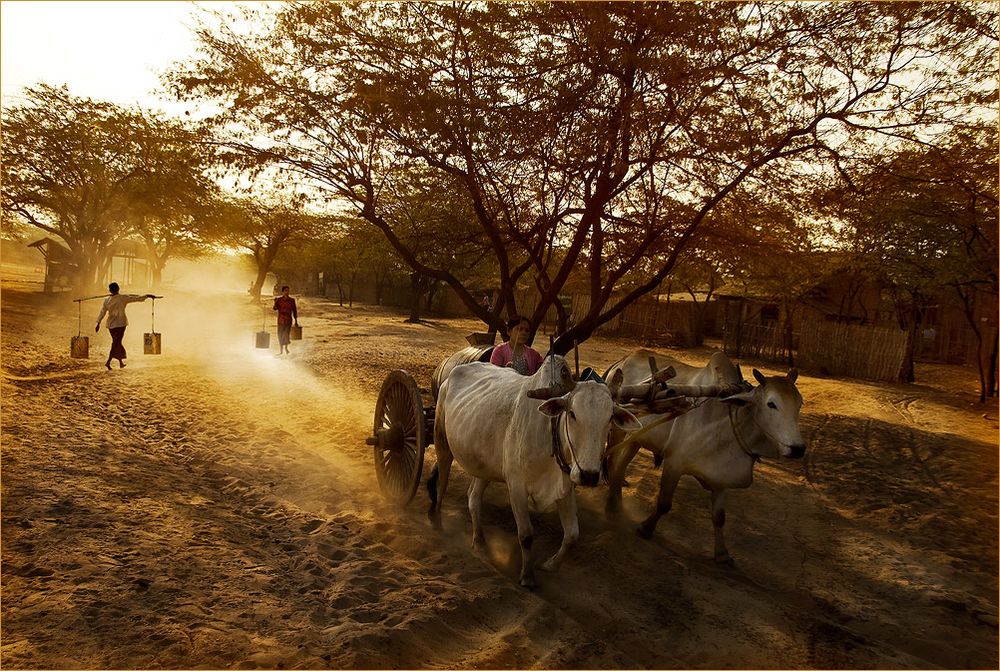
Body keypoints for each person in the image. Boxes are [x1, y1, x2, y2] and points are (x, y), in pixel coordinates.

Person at [95, 282, 153, 370]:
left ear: (110, 290)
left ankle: (120, 362)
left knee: (116, 342)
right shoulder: (123, 298)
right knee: (116, 343)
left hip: (111, 325)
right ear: (118, 289)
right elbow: (136, 299)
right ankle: (108, 362)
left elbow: (102, 312)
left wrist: (98, 323)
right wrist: (146, 296)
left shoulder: (107, 300)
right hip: (121, 324)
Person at [273, 285, 298, 355]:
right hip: (280, 320)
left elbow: (294, 310)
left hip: (288, 320)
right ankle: (281, 350)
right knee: (280, 335)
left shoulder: (292, 300)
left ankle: (286, 348)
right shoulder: (279, 300)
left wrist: (296, 320)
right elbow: (275, 308)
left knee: (287, 334)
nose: (287, 292)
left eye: (288, 290)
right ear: (283, 292)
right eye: (285, 291)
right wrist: (275, 302)